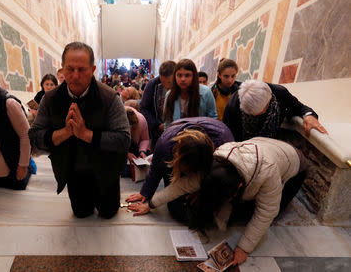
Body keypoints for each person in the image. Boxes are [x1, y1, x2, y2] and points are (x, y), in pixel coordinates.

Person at [29, 42, 130, 219]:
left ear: (93, 69)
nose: (75, 76)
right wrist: (65, 132)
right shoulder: (50, 99)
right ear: (62, 69)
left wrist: (86, 134)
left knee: (108, 213)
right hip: (74, 172)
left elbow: (123, 140)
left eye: (82, 70)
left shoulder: (109, 98)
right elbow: (35, 136)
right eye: (70, 69)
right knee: (81, 214)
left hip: (106, 171)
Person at [189, 137, 309, 266]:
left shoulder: (268, 172)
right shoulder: (219, 157)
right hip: (267, 148)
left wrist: (243, 248)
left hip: (296, 165)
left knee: (256, 213)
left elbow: (267, 212)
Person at [126, 117, 234, 222]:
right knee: (175, 207)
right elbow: (157, 170)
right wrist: (146, 193)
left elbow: (211, 180)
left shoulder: (223, 148)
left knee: (200, 206)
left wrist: (200, 189)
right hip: (175, 146)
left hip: (215, 159)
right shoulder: (165, 144)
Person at [223, 80, 328, 141]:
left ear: (269, 100)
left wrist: (309, 116)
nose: (256, 117)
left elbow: (299, 108)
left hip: (270, 144)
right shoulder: (232, 106)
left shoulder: (279, 93)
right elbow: (228, 137)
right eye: (251, 114)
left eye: (261, 112)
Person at [163, 59, 217, 129]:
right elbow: (167, 123)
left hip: (200, 135)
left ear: (193, 76)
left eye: (187, 75)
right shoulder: (169, 95)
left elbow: (212, 118)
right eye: (179, 75)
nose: (183, 79)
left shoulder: (206, 93)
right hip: (176, 135)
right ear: (175, 76)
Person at [140, 60, 176, 149]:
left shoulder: (180, 85)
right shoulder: (152, 84)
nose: (166, 86)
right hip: (157, 131)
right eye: (163, 81)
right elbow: (144, 108)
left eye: (169, 82)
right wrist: (156, 124)